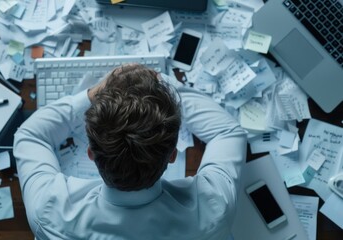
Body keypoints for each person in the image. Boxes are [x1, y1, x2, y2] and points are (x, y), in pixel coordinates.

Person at [13, 63, 247, 239]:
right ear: (172, 155)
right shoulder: (214, 211)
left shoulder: (49, 212)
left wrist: (94, 93)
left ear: (91, 154)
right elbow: (228, 132)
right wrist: (162, 83)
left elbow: (30, 134)